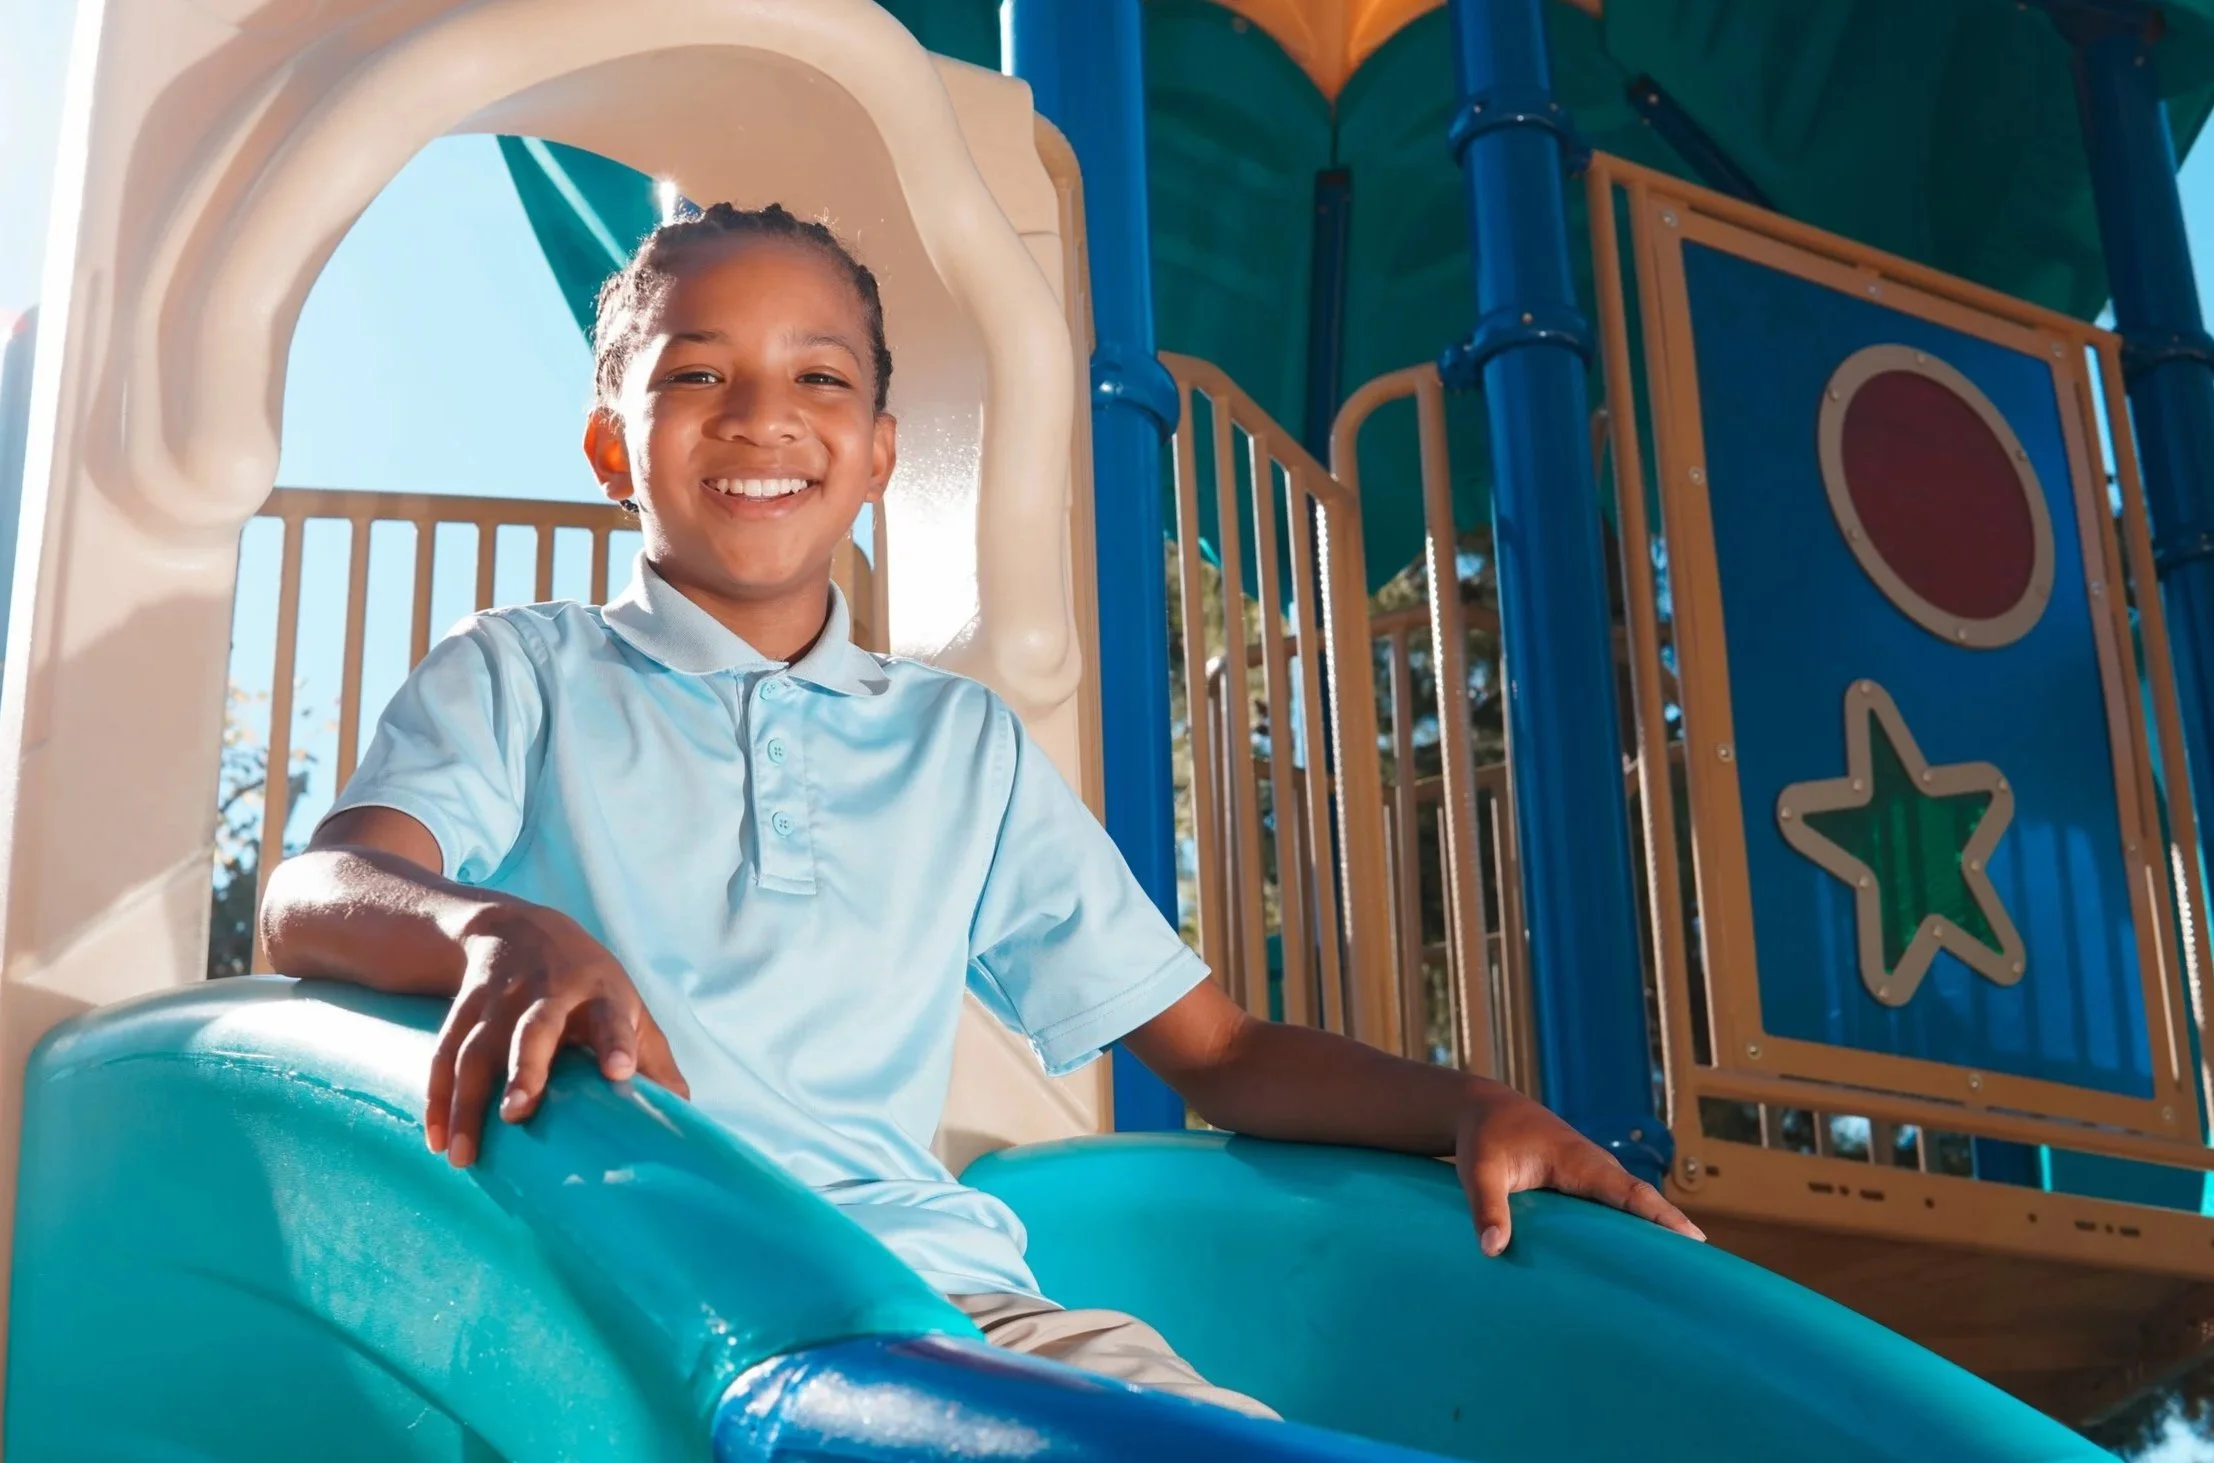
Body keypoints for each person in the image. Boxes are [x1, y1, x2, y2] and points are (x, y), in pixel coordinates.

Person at [259, 202, 1703, 1419]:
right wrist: (483, 927)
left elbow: (1221, 1050)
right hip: (627, 1275)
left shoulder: (957, 746)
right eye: (699, 377)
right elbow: (313, 896)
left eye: (820, 380)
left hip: (938, 1299)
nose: (764, 415)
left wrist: (1465, 1100)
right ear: (611, 450)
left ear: (880, 454)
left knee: (1208, 1441)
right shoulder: (527, 674)